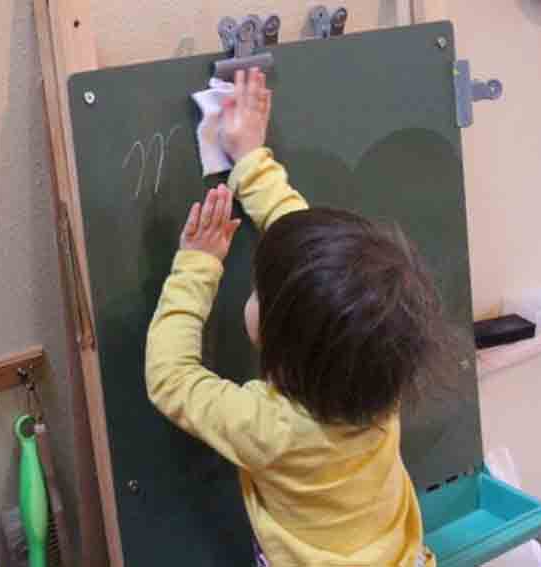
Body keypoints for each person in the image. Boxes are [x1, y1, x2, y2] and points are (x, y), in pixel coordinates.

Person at [145, 67, 444, 566]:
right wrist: (250, 159)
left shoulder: (267, 425)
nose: (255, 292)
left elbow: (171, 380)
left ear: (283, 339)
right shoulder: (381, 377)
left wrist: (197, 266)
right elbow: (311, 263)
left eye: (261, 292)